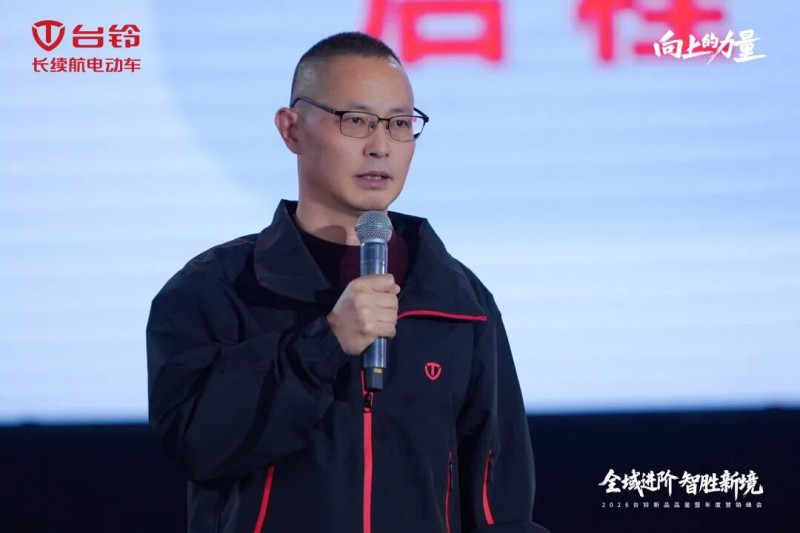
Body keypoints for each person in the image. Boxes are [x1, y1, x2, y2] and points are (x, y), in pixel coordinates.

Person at [146, 31, 549, 533]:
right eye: (356, 121)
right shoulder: (213, 290)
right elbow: (199, 446)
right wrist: (323, 346)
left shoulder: (458, 300)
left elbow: (500, 503)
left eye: (400, 124)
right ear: (291, 129)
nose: (380, 147)